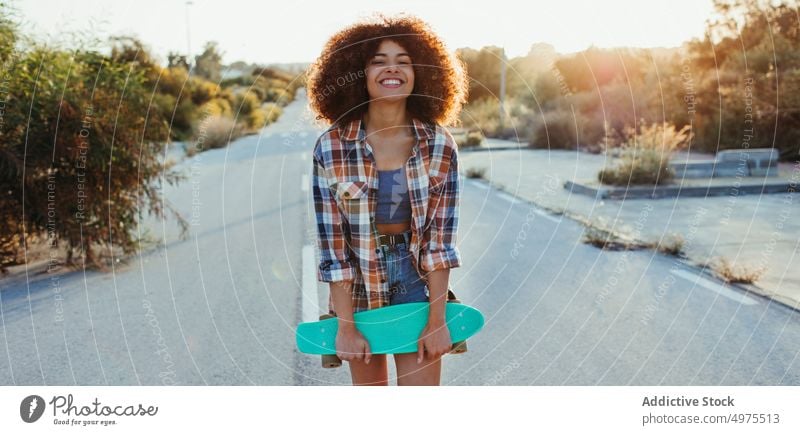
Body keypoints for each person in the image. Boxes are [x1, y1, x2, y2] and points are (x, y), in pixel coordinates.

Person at [307, 14, 468, 386]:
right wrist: (345, 327)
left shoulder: (439, 144)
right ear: (357, 74)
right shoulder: (331, 147)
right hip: (358, 288)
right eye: (378, 61)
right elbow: (334, 252)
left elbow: (440, 245)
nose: (391, 69)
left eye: (403, 61)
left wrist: (437, 320)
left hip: (415, 283)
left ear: (421, 73)